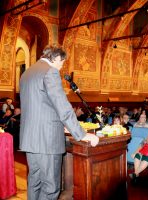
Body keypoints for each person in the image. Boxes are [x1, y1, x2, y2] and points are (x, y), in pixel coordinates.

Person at [19, 45, 99, 200]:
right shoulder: (50, 71)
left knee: (34, 182)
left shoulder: (27, 73)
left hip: (30, 138)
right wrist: (82, 134)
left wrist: (57, 121)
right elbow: (62, 105)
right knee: (50, 187)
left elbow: (41, 105)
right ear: (55, 58)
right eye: (62, 62)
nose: (61, 66)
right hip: (47, 140)